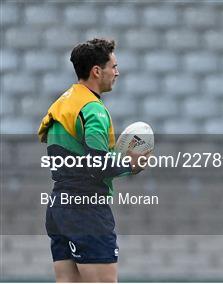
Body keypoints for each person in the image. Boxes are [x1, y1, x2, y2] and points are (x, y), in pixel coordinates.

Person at [38, 38, 149, 282]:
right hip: (86, 210)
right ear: (97, 71)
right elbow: (97, 166)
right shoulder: (93, 110)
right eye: (113, 66)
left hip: (59, 206)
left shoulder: (62, 103)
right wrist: (132, 164)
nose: (117, 72)